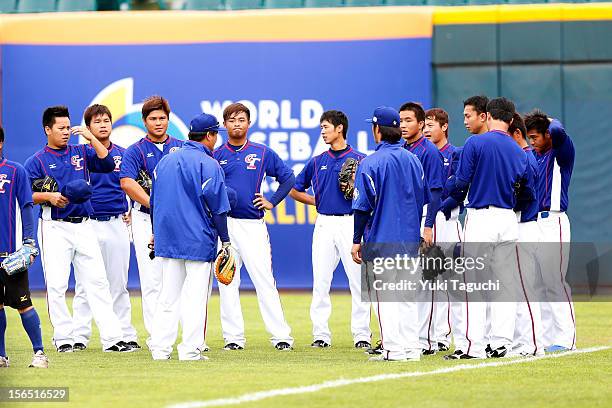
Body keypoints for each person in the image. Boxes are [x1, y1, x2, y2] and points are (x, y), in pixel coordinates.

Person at [24, 106, 132, 353]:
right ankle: (64, 338)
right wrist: (48, 196)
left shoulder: (80, 151)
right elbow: (25, 194)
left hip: (84, 224)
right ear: (47, 129)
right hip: (55, 226)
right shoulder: (37, 160)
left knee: (98, 282)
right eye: (60, 128)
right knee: (58, 284)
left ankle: (112, 339)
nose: (65, 132)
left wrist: (91, 137)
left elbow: (105, 162)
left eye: (67, 127)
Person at [447, 97, 528, 359]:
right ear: (511, 120)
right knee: (505, 283)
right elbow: (527, 191)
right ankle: (501, 343)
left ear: (489, 116)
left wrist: (446, 185)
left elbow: (461, 182)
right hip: (507, 218)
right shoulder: (519, 150)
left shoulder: (476, 142)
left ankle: (473, 346)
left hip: (481, 216)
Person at [149, 113, 231, 361]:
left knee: (167, 297)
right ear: (209, 135)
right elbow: (218, 207)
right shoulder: (209, 164)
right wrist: (225, 241)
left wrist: (156, 232)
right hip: (197, 239)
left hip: (169, 239)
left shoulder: (164, 161)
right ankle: (190, 351)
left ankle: (160, 350)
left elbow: (154, 202)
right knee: (195, 299)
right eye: (216, 134)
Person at [213, 102, 294, 351]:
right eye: (232, 120)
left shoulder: (262, 152)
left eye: (241, 120)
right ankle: (233, 338)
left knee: (264, 280)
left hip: (253, 225)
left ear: (249, 123)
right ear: (224, 125)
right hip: (225, 225)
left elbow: (288, 177)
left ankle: (281, 336)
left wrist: (272, 201)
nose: (236, 124)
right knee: (227, 281)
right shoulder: (215, 154)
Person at [290, 110, 371, 349]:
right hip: (324, 222)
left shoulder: (361, 159)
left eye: (326, 127)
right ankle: (321, 335)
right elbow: (294, 189)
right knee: (321, 281)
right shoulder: (317, 162)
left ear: (340, 129)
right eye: (321, 128)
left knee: (358, 282)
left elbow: (370, 193)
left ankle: (361, 335)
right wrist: (319, 201)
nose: (323, 131)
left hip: (351, 222)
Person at [351, 106, 425, 362]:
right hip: (410, 239)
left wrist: (355, 240)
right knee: (406, 297)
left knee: (385, 297)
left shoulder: (371, 162)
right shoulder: (413, 159)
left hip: (382, 238)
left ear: (377, 130)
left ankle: (393, 349)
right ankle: (412, 348)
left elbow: (362, 208)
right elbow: (421, 199)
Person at [72, 104, 139, 351]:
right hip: (87, 224)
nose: (103, 124)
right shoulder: (78, 155)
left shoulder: (124, 153)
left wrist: (132, 207)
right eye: (97, 121)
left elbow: (130, 183)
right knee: (84, 284)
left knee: (118, 283)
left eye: (106, 120)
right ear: (88, 127)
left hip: (116, 222)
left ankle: (124, 334)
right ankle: (79, 337)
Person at [120, 96, 183, 342]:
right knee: (152, 278)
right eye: (153, 118)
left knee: (180, 277)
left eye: (162, 118)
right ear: (144, 121)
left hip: (178, 219)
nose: (158, 122)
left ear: (168, 119)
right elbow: (126, 182)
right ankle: (156, 335)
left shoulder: (182, 146)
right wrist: (154, 203)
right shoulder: (135, 150)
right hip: (145, 218)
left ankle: (185, 335)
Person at [524, 109, 576, 352]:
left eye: (535, 137)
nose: (532, 142)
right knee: (539, 282)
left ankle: (566, 339)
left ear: (546, 135)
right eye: (529, 137)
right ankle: (545, 338)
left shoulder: (561, 152)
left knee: (554, 280)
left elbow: (557, 130)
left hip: (555, 221)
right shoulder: (534, 157)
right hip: (537, 223)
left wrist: (547, 120)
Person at [0, 126, 48, 368]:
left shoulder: (15, 171)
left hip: (10, 254)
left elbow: (27, 206)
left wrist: (29, 241)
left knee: (23, 303)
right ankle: (1, 356)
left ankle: (39, 354)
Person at [399, 102, 445, 355]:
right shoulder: (403, 149)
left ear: (420, 123)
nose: (404, 125)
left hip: (426, 216)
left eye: (408, 120)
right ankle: (407, 336)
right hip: (407, 217)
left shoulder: (428, 151)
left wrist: (428, 226)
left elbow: (436, 192)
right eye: (401, 121)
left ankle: (427, 340)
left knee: (427, 282)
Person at [423, 107, 460, 353]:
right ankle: (428, 338)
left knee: (450, 282)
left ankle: (442, 337)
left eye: (431, 125)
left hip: (448, 221)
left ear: (444, 126)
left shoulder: (455, 153)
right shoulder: (423, 153)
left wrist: (440, 206)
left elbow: (457, 188)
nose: (426, 130)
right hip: (427, 219)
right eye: (424, 125)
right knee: (428, 282)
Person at [508, 113, 544, 357]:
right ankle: (523, 342)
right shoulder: (523, 158)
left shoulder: (526, 159)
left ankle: (532, 344)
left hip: (526, 225)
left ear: (517, 134)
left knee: (525, 289)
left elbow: (526, 197)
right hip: (520, 226)